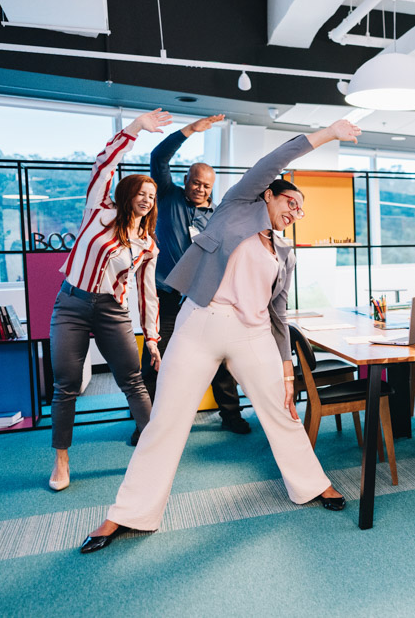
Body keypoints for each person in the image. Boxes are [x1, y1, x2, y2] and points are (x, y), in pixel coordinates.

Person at [80, 119, 360, 554]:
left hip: (252, 335)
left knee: (281, 414)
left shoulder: (284, 253)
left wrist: (287, 372)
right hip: (200, 322)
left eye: (301, 210)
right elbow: (277, 157)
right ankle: (129, 513)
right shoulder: (236, 204)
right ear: (269, 193)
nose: (295, 212)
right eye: (291, 201)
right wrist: (329, 134)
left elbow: (278, 315)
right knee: (167, 420)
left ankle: (312, 484)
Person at [48, 109, 170, 491]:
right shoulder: (98, 212)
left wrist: (152, 338)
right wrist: (135, 129)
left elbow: (148, 294)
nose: (147, 199)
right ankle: (61, 461)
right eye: (141, 193)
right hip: (70, 304)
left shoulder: (148, 245)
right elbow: (104, 163)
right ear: (126, 195)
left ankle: (154, 456)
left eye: (152, 196)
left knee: (133, 381)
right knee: (66, 385)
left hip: (112, 311)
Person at [142, 113, 251, 434]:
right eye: (196, 183)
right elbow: (157, 157)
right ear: (186, 180)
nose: (201, 189)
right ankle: (145, 422)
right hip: (167, 296)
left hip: (203, 297)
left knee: (220, 356)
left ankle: (231, 416)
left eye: (207, 186)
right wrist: (190, 130)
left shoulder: (216, 215)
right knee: (154, 357)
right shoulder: (167, 195)